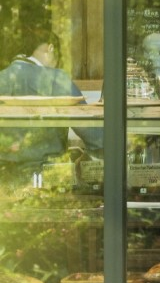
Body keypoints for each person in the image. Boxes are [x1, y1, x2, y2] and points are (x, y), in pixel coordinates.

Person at [0, 27, 100, 180]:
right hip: (49, 178)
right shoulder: (56, 79)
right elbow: (95, 136)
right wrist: (89, 156)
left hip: (5, 178)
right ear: (51, 48)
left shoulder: (3, 78)